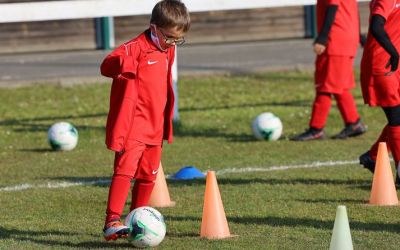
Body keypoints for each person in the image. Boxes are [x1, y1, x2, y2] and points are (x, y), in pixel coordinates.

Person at [99, 0, 190, 241]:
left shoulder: (167, 49)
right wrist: (123, 64)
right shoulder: (134, 48)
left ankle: (135, 217)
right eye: (170, 37)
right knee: (125, 171)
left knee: (148, 175)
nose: (173, 44)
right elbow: (106, 65)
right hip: (133, 126)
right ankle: (112, 221)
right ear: (153, 28)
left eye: (177, 40)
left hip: (155, 126)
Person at [291, 0, 367, 141]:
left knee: (325, 85)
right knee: (339, 86)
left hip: (335, 40)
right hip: (347, 39)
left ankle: (316, 128)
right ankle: (354, 123)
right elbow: (352, 8)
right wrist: (359, 35)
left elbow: (333, 7)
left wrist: (323, 37)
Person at [358, 0, 400, 186]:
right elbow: (376, 26)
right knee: (396, 118)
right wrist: (394, 52)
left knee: (398, 117)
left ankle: (372, 156)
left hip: (394, 64)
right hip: (383, 64)